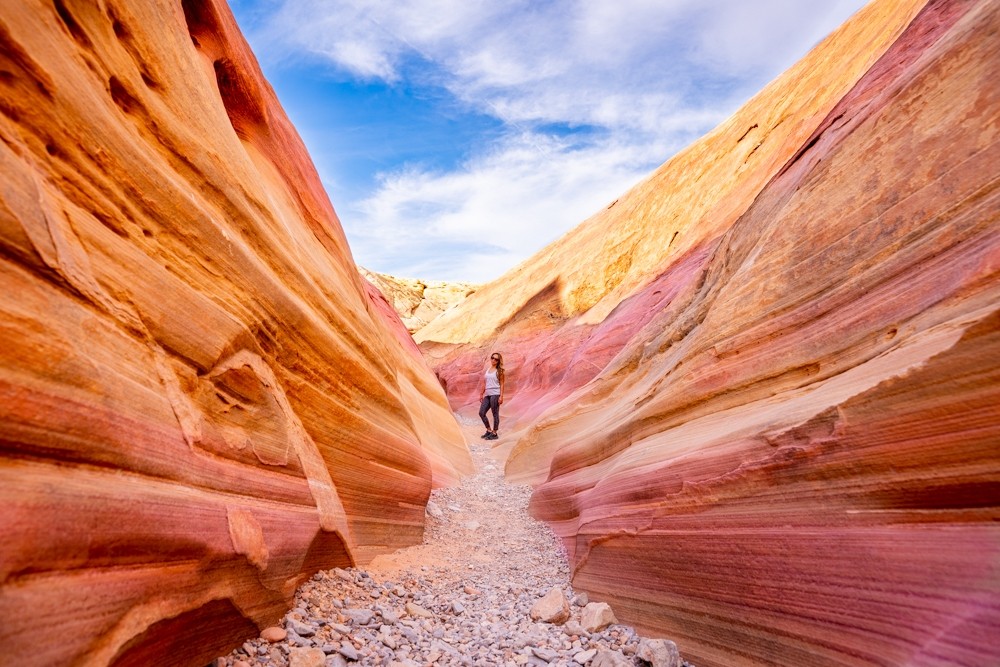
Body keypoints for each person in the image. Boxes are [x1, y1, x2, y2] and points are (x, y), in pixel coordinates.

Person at [479, 352, 505, 440]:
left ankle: (494, 433)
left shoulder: (500, 371)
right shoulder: (488, 369)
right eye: (492, 358)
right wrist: (481, 394)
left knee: (495, 414)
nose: (493, 360)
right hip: (488, 394)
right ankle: (489, 430)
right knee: (481, 413)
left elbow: (502, 384)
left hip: (495, 394)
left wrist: (501, 396)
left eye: (496, 359)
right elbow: (485, 382)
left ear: (498, 361)